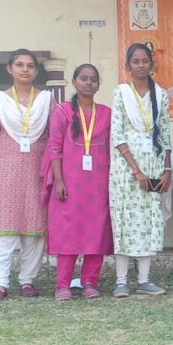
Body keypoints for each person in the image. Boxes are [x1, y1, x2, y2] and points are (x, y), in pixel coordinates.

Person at [0, 50, 53, 300]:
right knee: (4, 228)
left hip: (37, 171)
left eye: (30, 65)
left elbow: (54, 137)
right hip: (6, 172)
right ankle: (0, 283)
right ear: (9, 69)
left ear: (36, 71)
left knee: (34, 227)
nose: (25, 69)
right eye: (19, 65)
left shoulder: (46, 100)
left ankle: (27, 280)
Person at [44, 64, 113, 300]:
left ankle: (90, 282)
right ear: (74, 82)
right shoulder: (63, 112)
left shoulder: (106, 114)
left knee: (97, 231)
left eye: (93, 79)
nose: (88, 83)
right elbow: (54, 147)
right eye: (84, 78)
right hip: (69, 183)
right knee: (68, 232)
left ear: (99, 85)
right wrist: (59, 181)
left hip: (98, 184)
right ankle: (62, 285)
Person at [110, 43, 173, 297]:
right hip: (126, 169)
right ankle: (121, 281)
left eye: (145, 61)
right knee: (125, 221)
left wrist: (167, 169)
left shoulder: (161, 94)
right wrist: (136, 170)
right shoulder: (121, 92)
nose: (141, 65)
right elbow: (117, 134)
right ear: (128, 65)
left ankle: (145, 280)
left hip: (154, 164)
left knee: (149, 220)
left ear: (152, 64)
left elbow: (165, 133)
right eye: (135, 61)